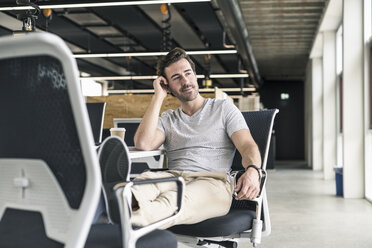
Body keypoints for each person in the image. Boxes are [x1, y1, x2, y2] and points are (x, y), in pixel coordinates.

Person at [131, 47, 261, 228]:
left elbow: (248, 145)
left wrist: (253, 170)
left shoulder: (223, 108)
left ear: (195, 74)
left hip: (213, 183)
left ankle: (120, 226)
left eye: (188, 73)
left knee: (171, 201)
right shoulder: (169, 118)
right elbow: (144, 144)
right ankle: (117, 216)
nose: (185, 81)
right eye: (176, 78)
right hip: (174, 177)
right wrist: (158, 96)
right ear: (167, 85)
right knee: (138, 187)